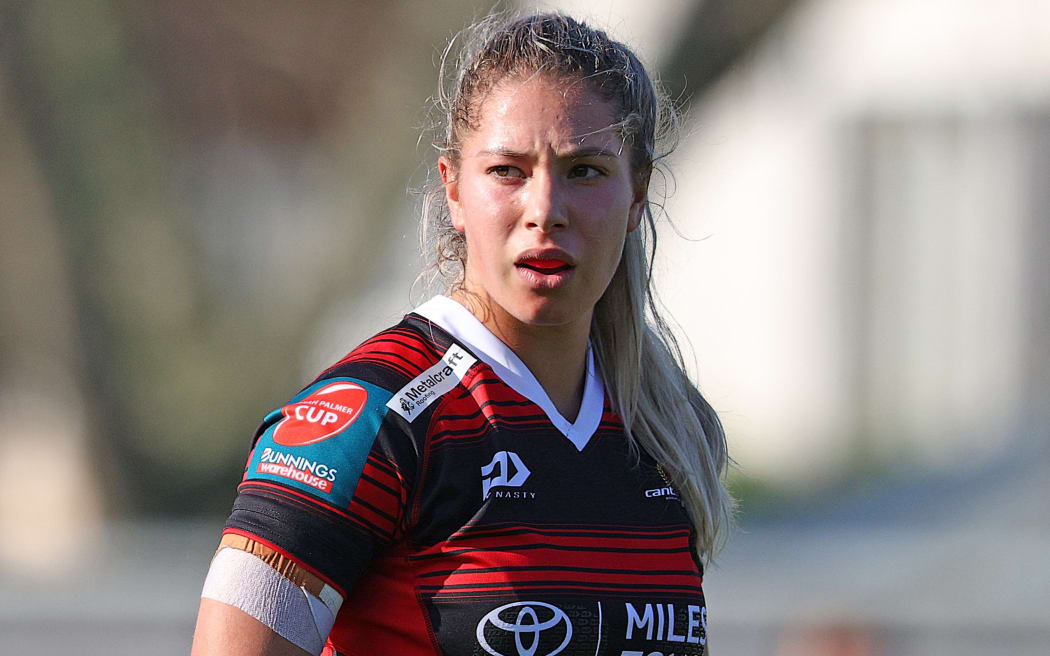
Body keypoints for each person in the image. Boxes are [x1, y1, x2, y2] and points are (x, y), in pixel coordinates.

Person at [191, 12, 731, 656]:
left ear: (638, 194)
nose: (545, 211)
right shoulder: (370, 419)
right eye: (508, 171)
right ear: (452, 189)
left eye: (584, 170)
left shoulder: (664, 429)